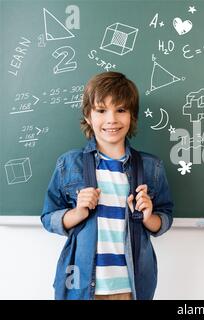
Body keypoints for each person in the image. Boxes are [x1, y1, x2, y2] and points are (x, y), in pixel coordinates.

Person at [41, 72, 173, 300]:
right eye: (101, 110)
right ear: (88, 115)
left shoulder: (152, 167)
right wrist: (78, 212)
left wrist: (149, 216)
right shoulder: (70, 164)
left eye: (121, 110)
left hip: (132, 287)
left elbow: (164, 219)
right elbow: (48, 217)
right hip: (81, 287)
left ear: (132, 116)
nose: (112, 119)